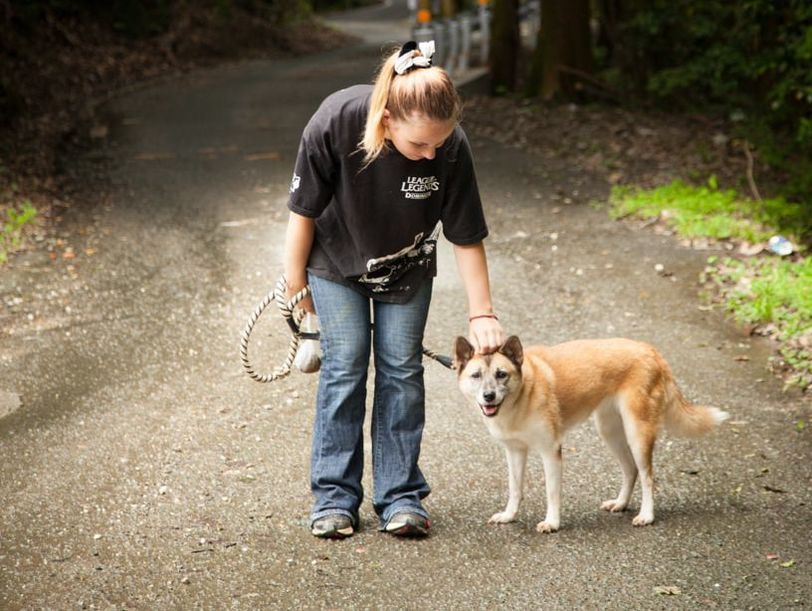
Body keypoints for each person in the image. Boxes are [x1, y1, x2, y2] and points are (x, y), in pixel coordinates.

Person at [283, 40, 505, 539]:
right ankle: (334, 499)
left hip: (405, 269)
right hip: (336, 262)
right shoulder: (335, 121)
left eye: (438, 144)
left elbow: (466, 235)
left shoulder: (449, 146)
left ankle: (401, 497)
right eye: (419, 146)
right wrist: (299, 292)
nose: (431, 154)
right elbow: (301, 216)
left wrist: (481, 313)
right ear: (386, 120)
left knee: (401, 371)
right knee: (346, 366)